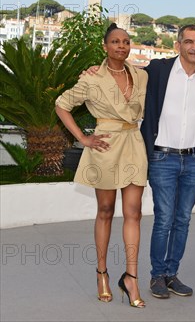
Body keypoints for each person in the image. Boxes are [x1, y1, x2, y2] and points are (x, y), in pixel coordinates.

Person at [55, 23, 148, 308]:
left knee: (134, 213)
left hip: (133, 141)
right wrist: (83, 138)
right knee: (106, 211)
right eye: (116, 41)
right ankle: (102, 273)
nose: (122, 45)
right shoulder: (92, 79)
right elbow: (62, 104)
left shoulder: (142, 76)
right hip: (105, 145)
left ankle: (131, 277)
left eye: (126, 41)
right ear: (105, 47)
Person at [141, 24, 195, 298]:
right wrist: (96, 70)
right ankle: (157, 276)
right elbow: (127, 78)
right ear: (178, 44)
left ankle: (171, 274)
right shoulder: (159, 70)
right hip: (162, 157)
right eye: (189, 41)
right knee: (164, 219)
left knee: (183, 220)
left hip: (193, 160)